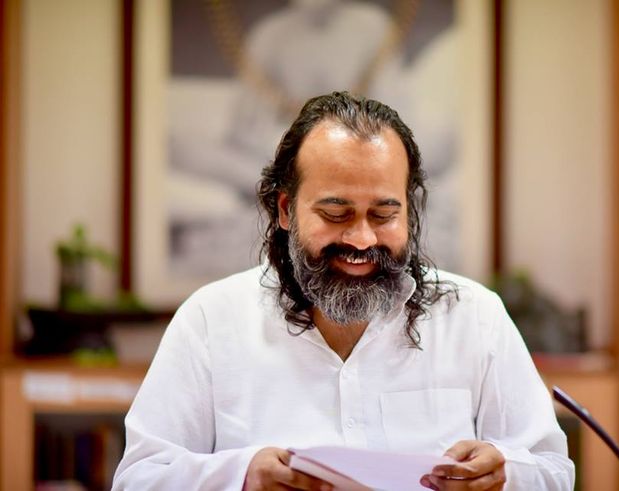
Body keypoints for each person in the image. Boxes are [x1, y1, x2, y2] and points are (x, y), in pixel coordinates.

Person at [112, 92, 574, 490]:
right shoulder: (212, 320)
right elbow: (139, 478)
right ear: (287, 210)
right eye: (336, 214)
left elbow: (555, 472)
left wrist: (507, 475)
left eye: (383, 215)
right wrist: (242, 476)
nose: (361, 240)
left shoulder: (474, 317)